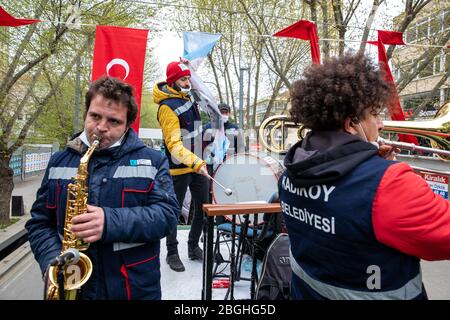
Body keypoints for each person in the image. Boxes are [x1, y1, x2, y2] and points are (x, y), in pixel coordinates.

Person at [279, 53, 450, 300]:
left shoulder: (290, 173)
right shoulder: (390, 184)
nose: (381, 124)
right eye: (375, 114)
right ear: (352, 124)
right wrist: (388, 175)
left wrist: (371, 163)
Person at [25, 77, 179, 300]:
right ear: (86, 113)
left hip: (132, 288)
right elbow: (39, 223)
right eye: (95, 116)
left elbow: (167, 216)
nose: (101, 128)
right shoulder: (59, 160)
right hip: (71, 284)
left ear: (127, 125)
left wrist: (109, 221)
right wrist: (52, 262)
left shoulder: (153, 161)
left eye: (114, 121)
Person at [153, 61, 210, 272]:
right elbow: (174, 145)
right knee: (173, 213)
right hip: (178, 169)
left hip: (198, 166)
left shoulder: (187, 95)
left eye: (188, 78)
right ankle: (172, 253)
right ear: (172, 82)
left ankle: (194, 247)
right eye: (184, 79)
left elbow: (199, 88)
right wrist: (196, 161)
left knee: (202, 210)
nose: (188, 82)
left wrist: (190, 67)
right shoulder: (166, 108)